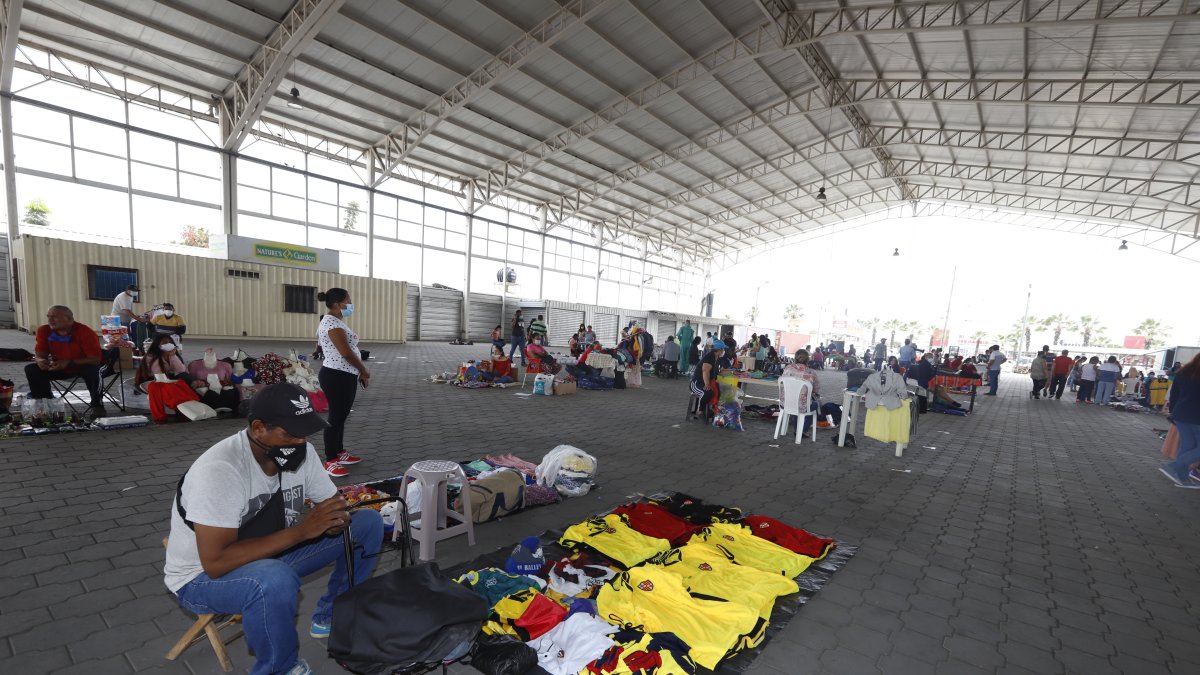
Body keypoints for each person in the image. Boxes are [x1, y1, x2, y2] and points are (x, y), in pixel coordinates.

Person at [164, 382, 383, 675]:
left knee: (367, 523)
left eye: (304, 433)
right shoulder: (221, 470)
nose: (299, 442)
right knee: (273, 580)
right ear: (258, 429)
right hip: (200, 577)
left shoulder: (300, 451)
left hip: (270, 555)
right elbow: (216, 563)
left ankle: (331, 617)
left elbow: (332, 503)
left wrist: (336, 517)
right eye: (290, 433)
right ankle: (280, 668)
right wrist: (304, 531)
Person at [315, 288, 369, 477]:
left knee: (341, 415)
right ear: (338, 304)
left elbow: (321, 345)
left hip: (342, 374)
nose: (350, 305)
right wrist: (363, 370)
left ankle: (339, 452)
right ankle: (330, 460)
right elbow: (346, 353)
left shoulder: (332, 321)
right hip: (337, 375)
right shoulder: (332, 324)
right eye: (348, 301)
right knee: (335, 418)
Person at [25, 305, 106, 415]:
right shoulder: (44, 330)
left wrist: (69, 362)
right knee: (32, 369)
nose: (50, 320)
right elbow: (40, 353)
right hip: (59, 366)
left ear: (69, 318)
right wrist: (40, 360)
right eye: (48, 317)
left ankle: (97, 406)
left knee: (93, 371)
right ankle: (45, 405)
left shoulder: (85, 332)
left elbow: (96, 359)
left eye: (54, 317)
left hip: (83, 365)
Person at [137, 334, 201, 423]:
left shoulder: (171, 354)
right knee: (173, 386)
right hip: (153, 381)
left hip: (166, 379)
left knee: (183, 376)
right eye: (165, 343)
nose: (168, 344)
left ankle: (192, 402)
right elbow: (159, 374)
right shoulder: (151, 357)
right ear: (158, 345)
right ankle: (180, 409)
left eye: (170, 342)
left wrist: (172, 356)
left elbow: (181, 369)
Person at [1159, 354, 1200, 487]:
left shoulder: (1183, 373)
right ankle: (1174, 467)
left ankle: (1181, 478)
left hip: (1180, 414)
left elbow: (1174, 394)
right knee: (1192, 447)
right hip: (1196, 417)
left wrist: (1172, 412)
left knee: (1187, 446)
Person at [188, 347, 241, 413]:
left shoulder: (225, 365)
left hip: (221, 386)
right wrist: (199, 384)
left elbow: (228, 379)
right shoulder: (194, 365)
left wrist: (226, 384)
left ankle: (230, 408)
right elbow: (192, 379)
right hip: (203, 387)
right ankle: (218, 406)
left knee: (230, 389)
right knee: (204, 391)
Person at [689, 339, 725, 418]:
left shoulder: (716, 358)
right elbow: (705, 371)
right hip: (696, 383)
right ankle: (700, 411)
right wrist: (707, 384)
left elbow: (714, 372)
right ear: (719, 350)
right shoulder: (709, 357)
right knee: (707, 392)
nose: (723, 351)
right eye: (723, 349)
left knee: (717, 391)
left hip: (705, 382)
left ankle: (710, 409)